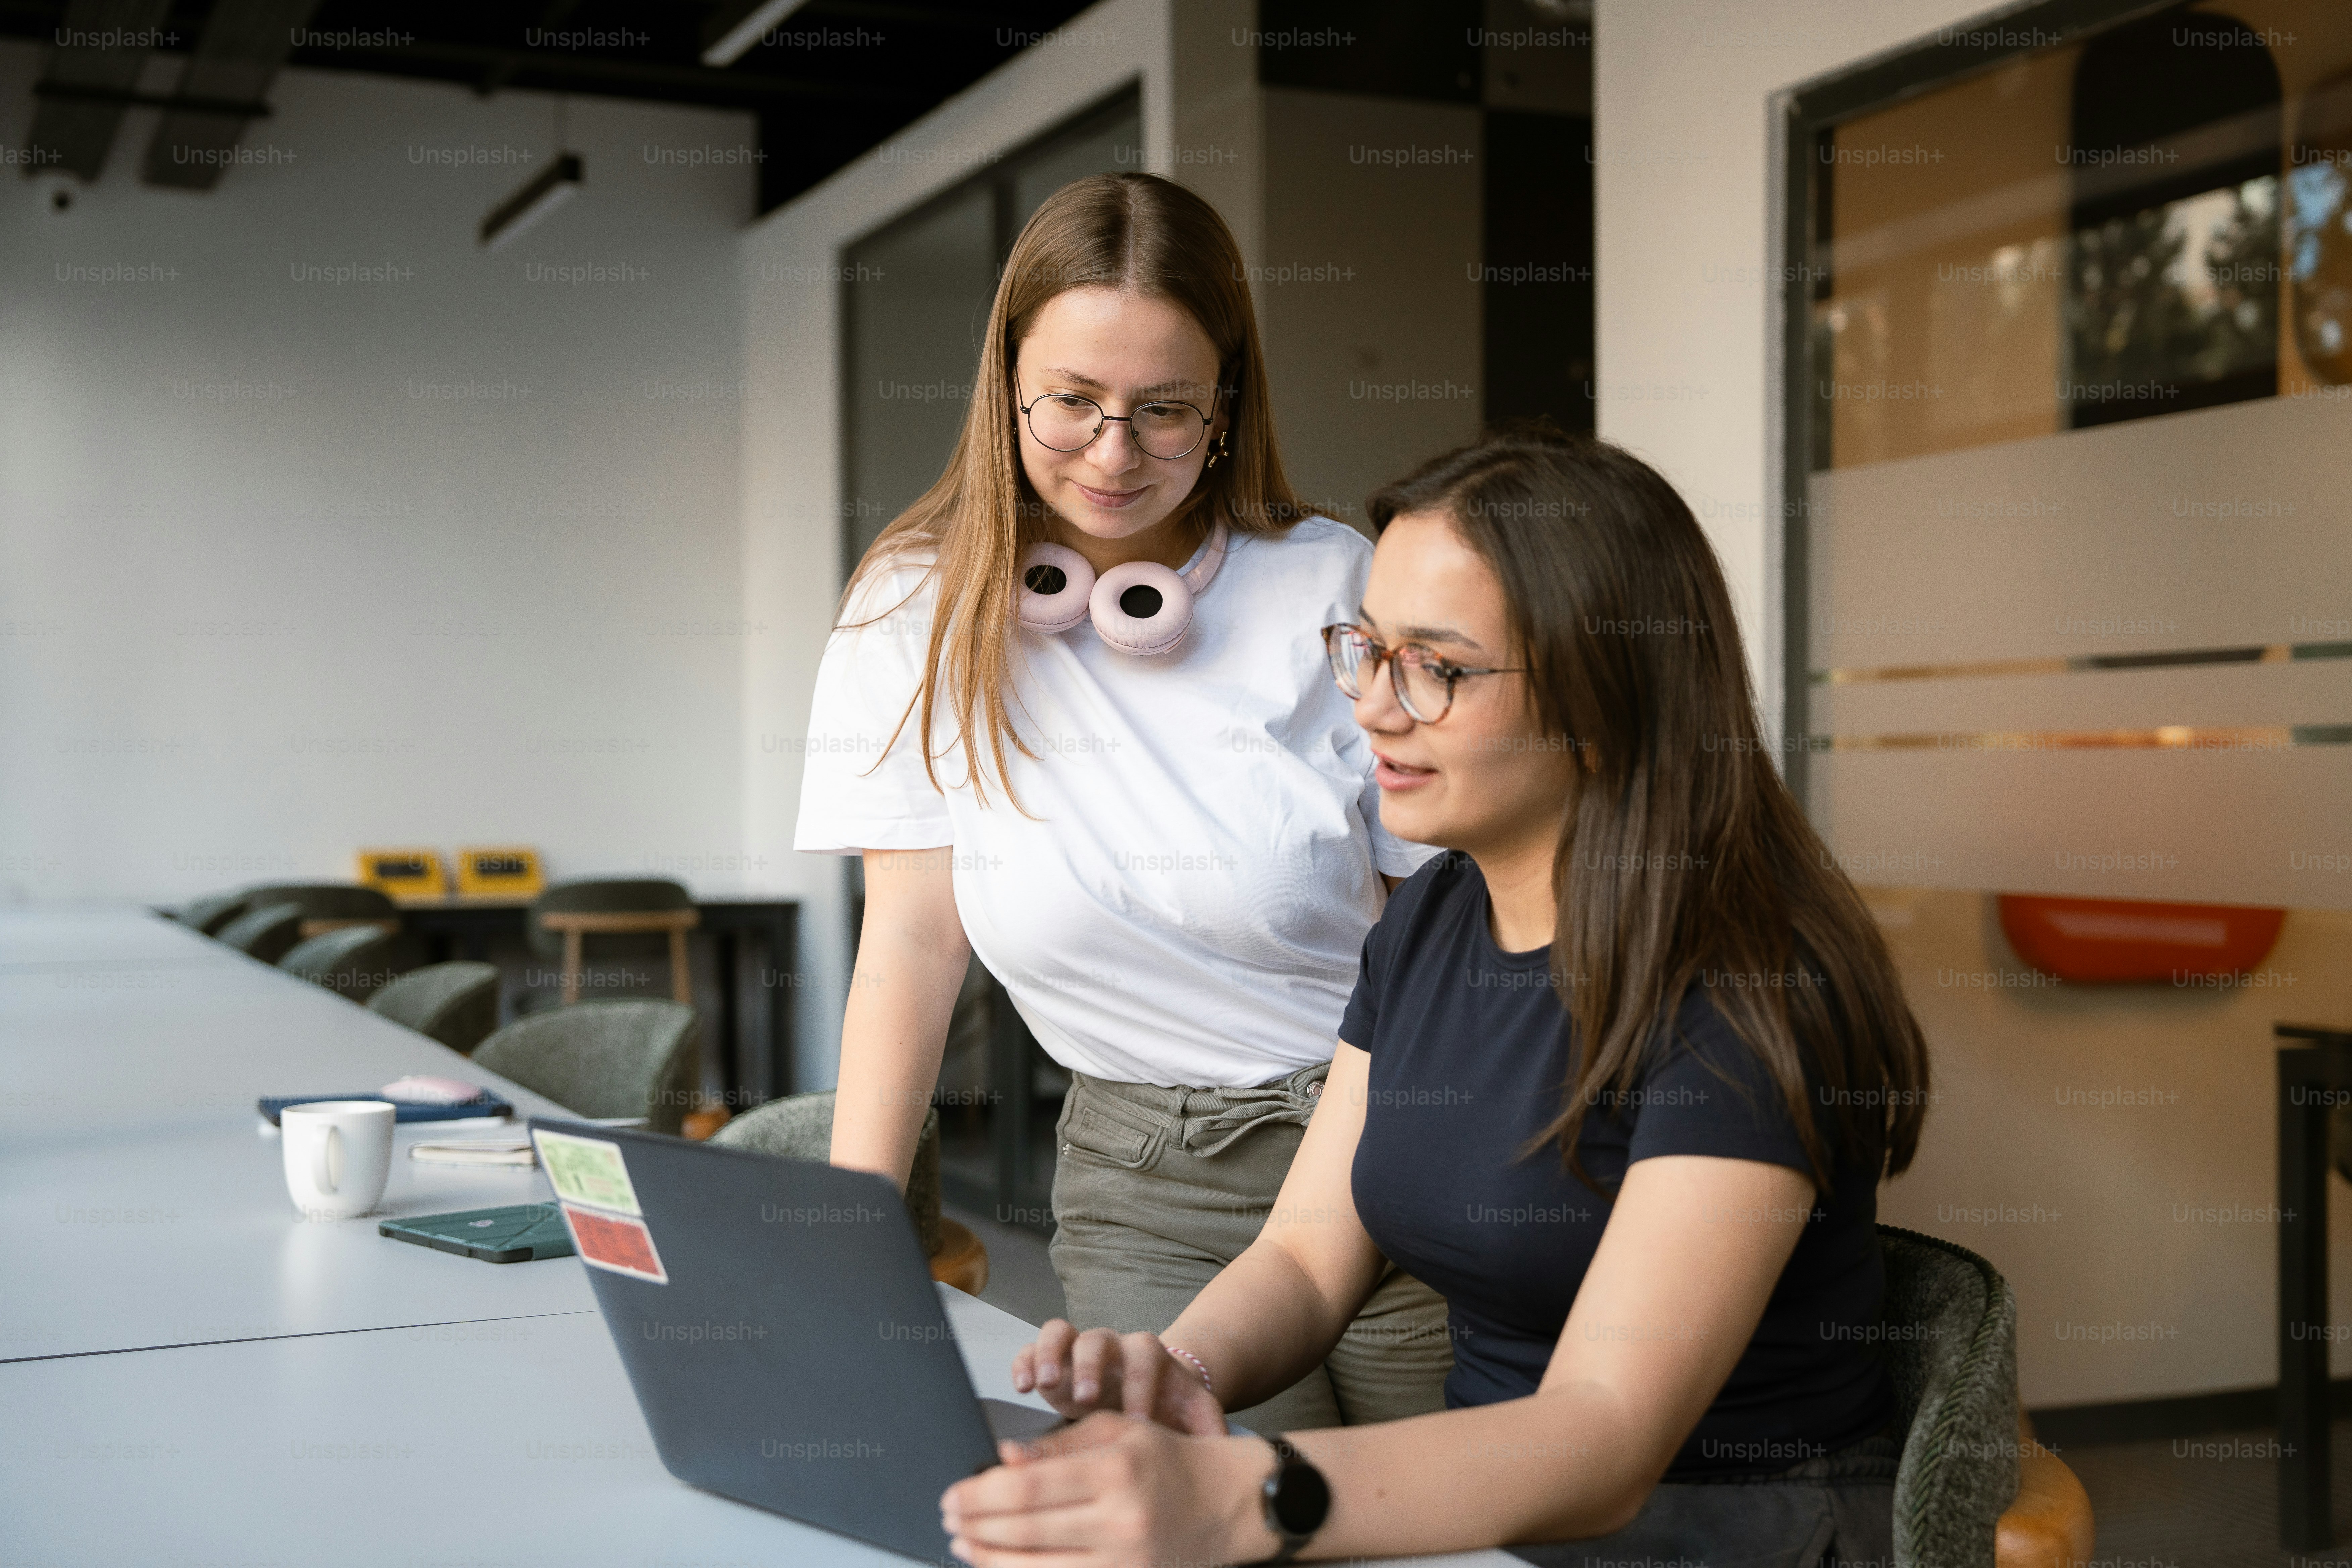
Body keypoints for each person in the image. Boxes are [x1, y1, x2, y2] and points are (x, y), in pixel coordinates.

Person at [938, 426, 1934, 1566]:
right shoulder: (1429, 918)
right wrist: (1180, 1374)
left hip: (1718, 1532)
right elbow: (1309, 1262)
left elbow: (1606, 1436)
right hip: (1497, 1525)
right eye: (1365, 649)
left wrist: (1238, 1496)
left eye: (1438, 668)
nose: (1372, 706)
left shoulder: (1749, 993)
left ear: (1607, 696)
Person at [795, 172, 1452, 1431]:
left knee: (1452, 1531)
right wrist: (854, 1244)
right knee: (1210, 1508)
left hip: (1396, 1134)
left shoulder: (1333, 582)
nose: (1113, 453)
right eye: (1074, 403)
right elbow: (913, 946)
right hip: (1147, 1181)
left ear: (1225, 410)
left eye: (1163, 411)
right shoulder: (908, 614)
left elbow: (1450, 908)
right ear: (1006, 388)